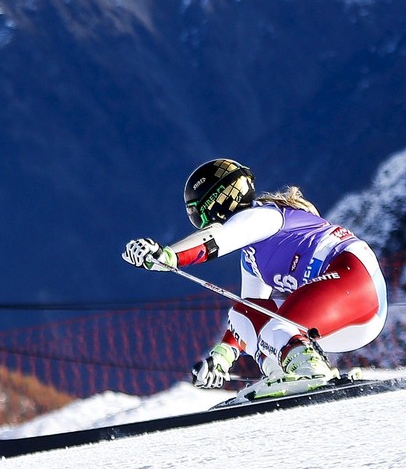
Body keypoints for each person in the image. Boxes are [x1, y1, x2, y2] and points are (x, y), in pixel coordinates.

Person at [122, 158, 388, 389]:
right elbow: (251, 311)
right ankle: (283, 373)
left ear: (218, 202)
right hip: (341, 319)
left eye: (201, 216)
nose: (203, 223)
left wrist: (167, 256)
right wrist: (221, 357)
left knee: (281, 327)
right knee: (243, 315)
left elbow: (215, 239)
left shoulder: (262, 216)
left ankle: (310, 372)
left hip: (356, 281)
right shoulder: (252, 256)